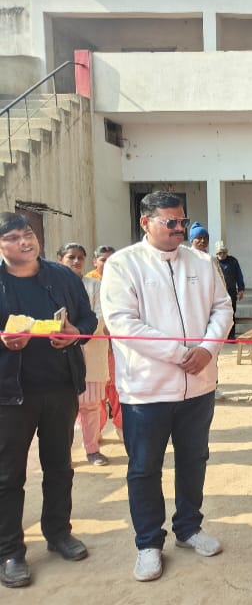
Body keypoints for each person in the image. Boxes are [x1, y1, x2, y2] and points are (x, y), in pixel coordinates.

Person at [100, 192, 233, 582]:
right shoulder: (123, 264)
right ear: (145, 222)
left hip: (198, 386)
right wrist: (179, 353)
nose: (179, 229)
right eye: (170, 222)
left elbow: (222, 308)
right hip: (147, 389)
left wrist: (207, 349)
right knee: (144, 468)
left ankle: (189, 528)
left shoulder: (202, 262)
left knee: (194, 459)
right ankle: (148, 543)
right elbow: (123, 322)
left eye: (182, 222)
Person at [0, 213, 97, 588]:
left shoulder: (63, 277)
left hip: (60, 388)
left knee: (59, 467)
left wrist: (75, 333)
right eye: (12, 238)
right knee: (8, 475)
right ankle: (10, 551)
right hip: (10, 394)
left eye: (27, 234)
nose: (25, 242)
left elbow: (88, 320)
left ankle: (58, 533)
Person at [58, 243, 110, 467]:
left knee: (91, 405)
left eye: (80, 257)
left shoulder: (95, 285)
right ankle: (63, 454)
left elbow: (101, 316)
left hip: (91, 351)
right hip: (60, 354)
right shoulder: (53, 284)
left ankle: (92, 449)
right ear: (60, 259)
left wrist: (77, 332)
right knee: (64, 409)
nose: (76, 261)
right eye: (71, 257)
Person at [85, 245, 123, 442]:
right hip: (95, 343)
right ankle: (95, 429)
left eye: (111, 259)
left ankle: (121, 426)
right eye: (103, 260)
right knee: (97, 388)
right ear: (95, 262)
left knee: (118, 387)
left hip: (119, 344)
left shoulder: (122, 279)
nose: (107, 264)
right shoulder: (88, 284)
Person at [215, 241, 245, 340]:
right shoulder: (214, 262)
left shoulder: (233, 261)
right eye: (220, 253)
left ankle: (231, 335)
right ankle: (220, 335)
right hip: (217, 293)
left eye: (224, 252)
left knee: (231, 313)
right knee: (218, 314)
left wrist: (241, 289)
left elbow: (239, 275)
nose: (222, 254)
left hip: (231, 292)